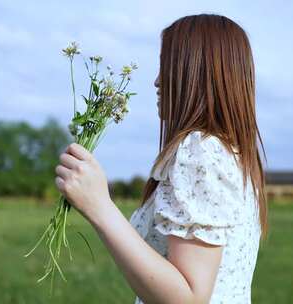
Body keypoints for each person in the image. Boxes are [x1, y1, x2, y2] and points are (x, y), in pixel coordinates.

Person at [54, 13, 267, 304]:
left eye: (168, 67)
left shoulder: (201, 152)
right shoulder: (233, 155)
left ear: (197, 75)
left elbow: (189, 298)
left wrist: (99, 206)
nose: (156, 81)